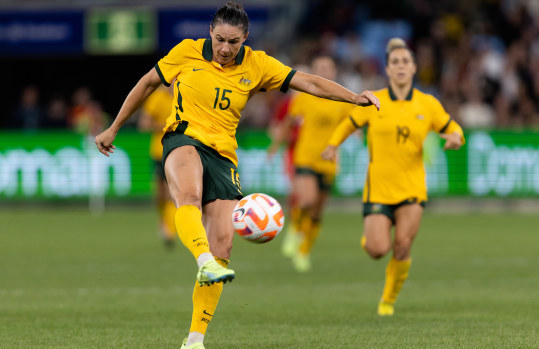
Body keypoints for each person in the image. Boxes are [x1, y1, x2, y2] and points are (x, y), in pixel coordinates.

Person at [93, 3, 380, 348]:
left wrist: (354, 98)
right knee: (188, 196)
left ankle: (195, 339)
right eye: (219, 40)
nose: (225, 49)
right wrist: (114, 127)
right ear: (210, 32)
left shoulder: (258, 64)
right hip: (182, 137)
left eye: (233, 42)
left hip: (223, 154)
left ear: (246, 38)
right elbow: (147, 83)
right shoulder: (186, 51)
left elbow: (308, 82)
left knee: (224, 244)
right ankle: (203, 261)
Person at [322, 38, 464, 316]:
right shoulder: (375, 100)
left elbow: (453, 127)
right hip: (379, 188)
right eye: (395, 62)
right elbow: (349, 122)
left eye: (405, 62)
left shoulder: (428, 104)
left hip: (412, 187)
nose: (400, 66)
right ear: (387, 69)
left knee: (402, 246)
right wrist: (332, 145)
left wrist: (456, 138)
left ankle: (388, 300)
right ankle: (370, 239)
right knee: (377, 249)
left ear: (414, 69)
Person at [269, 56, 354, 272]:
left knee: (316, 213)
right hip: (305, 156)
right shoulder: (303, 98)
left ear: (334, 72)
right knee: (306, 201)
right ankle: (295, 229)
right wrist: (276, 146)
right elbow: (288, 122)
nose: (324, 72)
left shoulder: (341, 100)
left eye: (328, 68)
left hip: (328, 161)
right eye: (320, 68)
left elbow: (352, 125)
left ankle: (304, 251)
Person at [138, 85, 177, 247]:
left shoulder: (186, 96)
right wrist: (166, 125)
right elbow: (144, 125)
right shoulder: (157, 98)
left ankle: (170, 229)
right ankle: (163, 222)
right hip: (158, 151)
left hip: (178, 151)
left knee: (172, 192)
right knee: (160, 195)